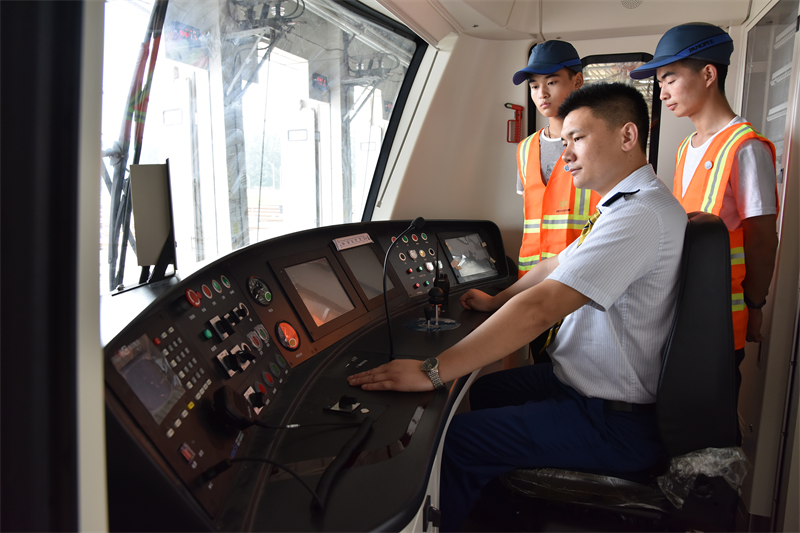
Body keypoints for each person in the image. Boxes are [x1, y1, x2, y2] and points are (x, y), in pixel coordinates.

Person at [348, 83, 688, 532]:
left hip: (614, 420)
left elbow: (542, 308)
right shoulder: (622, 208)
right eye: (563, 141)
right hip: (586, 389)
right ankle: (496, 514)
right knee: (487, 392)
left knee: (457, 440)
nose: (565, 154)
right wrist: (497, 300)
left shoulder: (640, 215)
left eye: (578, 139)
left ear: (627, 136)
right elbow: (553, 265)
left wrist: (431, 368)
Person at [630, 23, 779, 398]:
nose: (661, 92)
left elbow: (761, 240)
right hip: (684, 311)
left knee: (711, 428)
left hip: (722, 319)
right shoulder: (686, 147)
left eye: (669, 78)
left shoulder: (745, 147)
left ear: (708, 74)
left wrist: (756, 305)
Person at [512, 41, 601, 281]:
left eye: (551, 82)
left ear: (578, 81)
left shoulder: (597, 144)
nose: (542, 93)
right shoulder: (525, 149)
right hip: (530, 280)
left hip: (579, 277)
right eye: (534, 86)